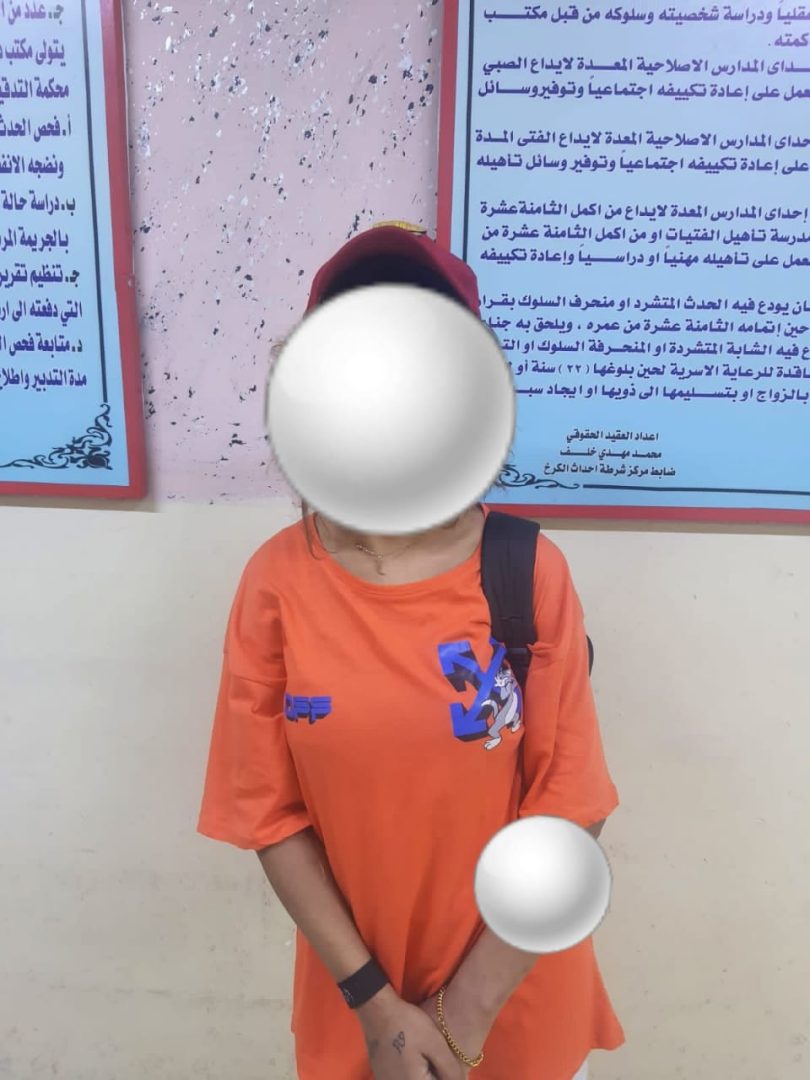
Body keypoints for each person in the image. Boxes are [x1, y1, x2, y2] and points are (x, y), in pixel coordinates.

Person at [197, 221, 624, 1080]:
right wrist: (380, 1013)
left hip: (520, 1008)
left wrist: (462, 1017)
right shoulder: (276, 583)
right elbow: (271, 817)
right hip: (359, 1016)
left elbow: (571, 806)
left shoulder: (525, 571)